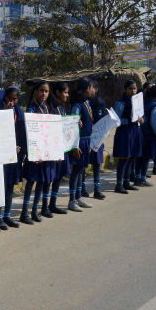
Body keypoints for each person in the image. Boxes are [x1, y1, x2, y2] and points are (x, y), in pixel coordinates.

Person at [20, 80, 57, 224]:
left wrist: (55, 151)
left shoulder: (48, 108)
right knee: (30, 183)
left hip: (45, 154)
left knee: (41, 182)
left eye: (46, 91)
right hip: (35, 154)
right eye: (41, 90)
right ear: (36, 91)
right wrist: (34, 153)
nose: (44, 94)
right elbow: (30, 133)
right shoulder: (31, 110)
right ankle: (24, 213)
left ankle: (35, 211)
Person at [67, 78, 95, 212]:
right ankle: (71, 200)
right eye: (91, 87)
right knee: (76, 171)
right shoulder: (77, 105)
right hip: (79, 141)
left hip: (86, 140)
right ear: (86, 89)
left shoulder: (87, 102)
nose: (93, 90)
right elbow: (73, 122)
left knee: (81, 170)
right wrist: (74, 146)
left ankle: (78, 197)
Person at [0, 86, 27, 226]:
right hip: (0, 156)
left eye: (14, 99)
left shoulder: (19, 113)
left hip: (15, 156)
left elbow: (22, 134)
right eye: (9, 99)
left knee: (10, 185)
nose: (11, 102)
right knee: (0, 185)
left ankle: (7, 215)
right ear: (5, 98)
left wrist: (20, 149)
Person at [113, 80, 144, 194]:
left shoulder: (137, 102)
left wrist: (141, 119)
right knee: (124, 158)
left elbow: (140, 115)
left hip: (135, 131)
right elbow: (116, 120)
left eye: (135, 88)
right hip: (125, 133)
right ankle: (119, 184)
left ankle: (127, 182)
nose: (133, 91)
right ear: (125, 89)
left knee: (132, 158)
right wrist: (130, 120)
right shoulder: (121, 103)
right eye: (130, 88)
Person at [81, 80, 107, 199]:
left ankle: (97, 189)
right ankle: (82, 188)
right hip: (86, 137)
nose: (91, 90)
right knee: (83, 164)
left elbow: (100, 120)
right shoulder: (83, 102)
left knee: (96, 164)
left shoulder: (99, 102)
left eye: (93, 88)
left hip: (97, 136)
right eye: (90, 88)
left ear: (95, 89)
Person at [47, 82, 70, 215]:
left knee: (58, 176)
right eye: (65, 92)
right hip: (53, 147)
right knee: (51, 177)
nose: (67, 95)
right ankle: (46, 205)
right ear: (57, 92)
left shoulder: (62, 107)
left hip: (62, 146)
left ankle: (53, 204)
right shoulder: (52, 108)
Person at [134, 86, 156, 187]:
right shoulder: (155, 106)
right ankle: (142, 179)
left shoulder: (144, 103)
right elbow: (154, 122)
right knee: (146, 158)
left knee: (139, 157)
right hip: (149, 135)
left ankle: (137, 177)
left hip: (141, 132)